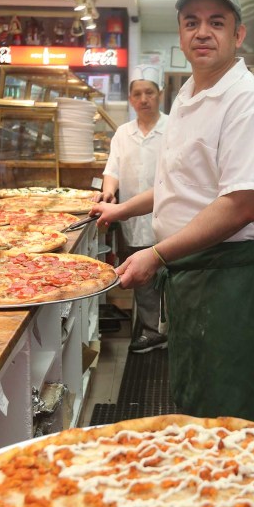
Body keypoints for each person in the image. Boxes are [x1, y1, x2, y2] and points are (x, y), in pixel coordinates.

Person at [91, 0, 254, 420]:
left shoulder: (249, 105)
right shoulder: (187, 97)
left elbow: (241, 204)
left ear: (238, 35)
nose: (203, 32)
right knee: (192, 401)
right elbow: (181, 183)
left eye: (216, 23)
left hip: (227, 281)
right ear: (180, 35)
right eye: (192, 22)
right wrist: (121, 208)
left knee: (225, 416)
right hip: (190, 277)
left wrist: (156, 254)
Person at [95, 64, 169, 354]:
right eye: (137, 93)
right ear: (130, 99)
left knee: (170, 274)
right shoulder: (123, 133)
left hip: (167, 215)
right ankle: (152, 331)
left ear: (159, 95)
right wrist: (108, 192)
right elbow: (112, 168)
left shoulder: (172, 128)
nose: (143, 98)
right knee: (143, 276)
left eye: (149, 92)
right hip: (130, 216)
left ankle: (169, 327)